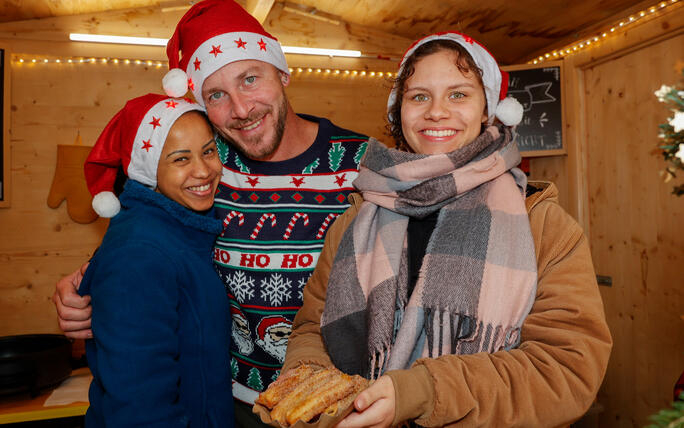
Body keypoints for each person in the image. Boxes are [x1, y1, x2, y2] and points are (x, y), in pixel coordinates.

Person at [51, 1, 369, 426]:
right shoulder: (207, 165)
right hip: (230, 405)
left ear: (283, 73)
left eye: (250, 79)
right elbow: (150, 238)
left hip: (339, 406)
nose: (240, 109)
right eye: (216, 95)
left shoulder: (363, 164)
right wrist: (87, 282)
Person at [280, 32, 613, 427]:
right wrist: (313, 391)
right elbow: (310, 330)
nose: (437, 112)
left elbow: (566, 371)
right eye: (419, 96)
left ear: (488, 110)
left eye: (458, 94)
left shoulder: (542, 224)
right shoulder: (356, 219)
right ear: (399, 113)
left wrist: (421, 393)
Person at [78, 93, 233, 426]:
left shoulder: (184, 228)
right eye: (180, 159)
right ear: (149, 170)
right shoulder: (139, 254)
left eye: (208, 151)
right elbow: (139, 405)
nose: (203, 170)